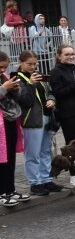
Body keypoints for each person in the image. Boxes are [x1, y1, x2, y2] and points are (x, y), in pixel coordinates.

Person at [15, 50, 61, 197]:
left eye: (35, 64)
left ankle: (46, 179)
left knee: (45, 151)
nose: (32, 67)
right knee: (33, 153)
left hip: (46, 117)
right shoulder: (17, 79)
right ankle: (35, 183)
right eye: (29, 64)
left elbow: (50, 91)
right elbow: (25, 101)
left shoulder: (39, 75)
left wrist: (52, 99)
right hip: (31, 120)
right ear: (20, 63)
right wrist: (30, 84)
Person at [49, 44, 75, 187]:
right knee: (71, 145)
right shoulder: (55, 72)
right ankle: (73, 174)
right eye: (67, 54)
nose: (71, 56)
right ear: (59, 56)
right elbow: (59, 93)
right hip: (68, 113)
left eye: (72, 54)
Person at [0, 51, 30, 207]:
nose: (2, 70)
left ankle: (10, 190)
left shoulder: (5, 77)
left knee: (10, 157)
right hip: (1, 122)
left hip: (11, 119)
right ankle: (2, 192)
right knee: (2, 159)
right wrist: (4, 88)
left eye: (4, 67)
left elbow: (19, 97)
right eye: (0, 67)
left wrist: (15, 88)